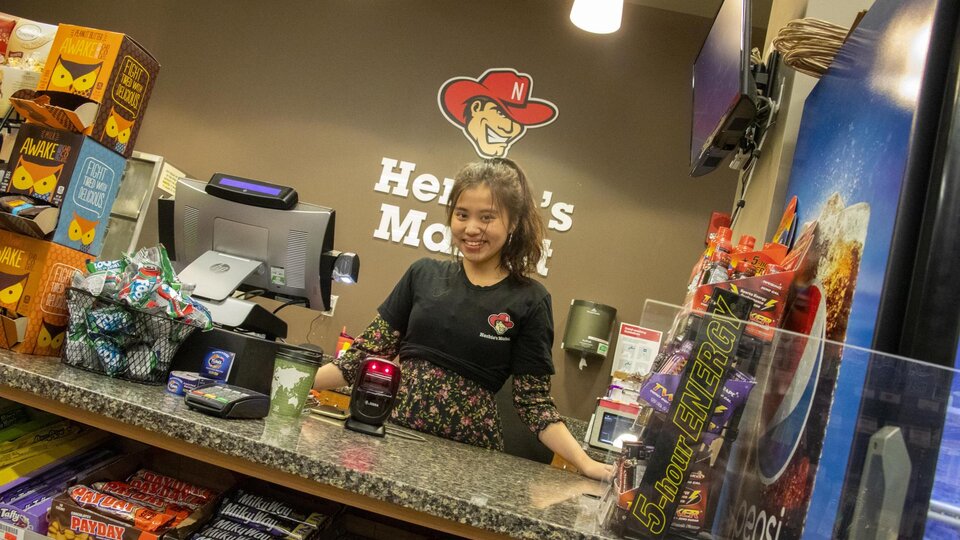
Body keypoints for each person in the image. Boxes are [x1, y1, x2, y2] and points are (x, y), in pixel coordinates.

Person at [313, 158, 611, 481]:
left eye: (487, 217)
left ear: (512, 223)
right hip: (395, 444)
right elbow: (359, 358)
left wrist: (586, 463)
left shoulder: (530, 300)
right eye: (461, 214)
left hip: (471, 464)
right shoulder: (422, 275)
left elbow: (534, 403)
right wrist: (290, 383)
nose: (471, 229)